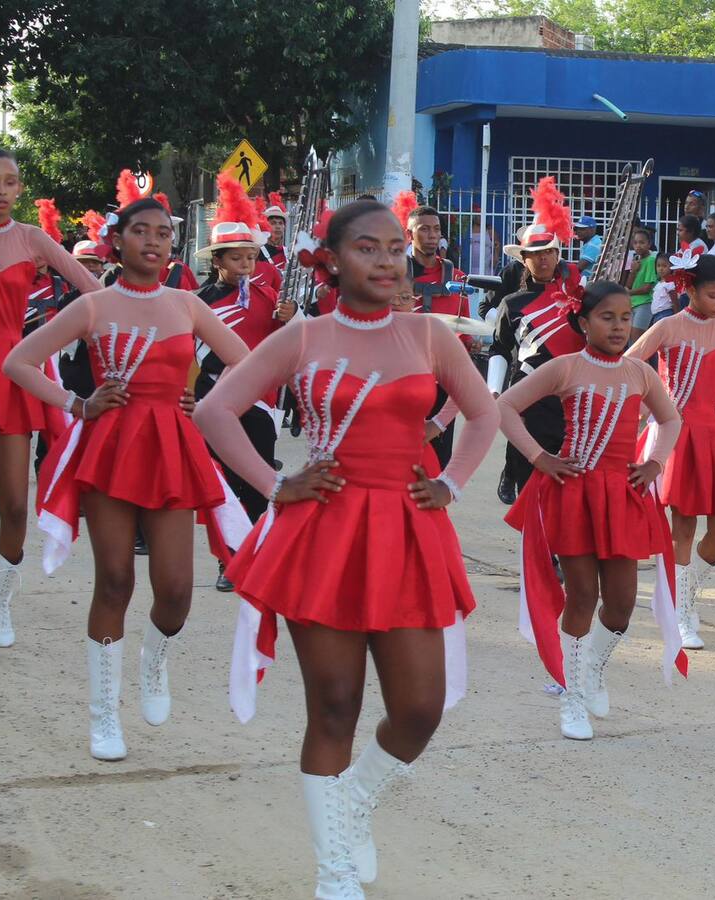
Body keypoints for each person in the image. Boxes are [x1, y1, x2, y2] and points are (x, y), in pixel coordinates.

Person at [194, 199, 499, 899]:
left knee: (419, 708)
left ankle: (351, 803)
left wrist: (451, 482)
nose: (388, 261)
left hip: (408, 529)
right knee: (334, 706)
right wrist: (275, 482)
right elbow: (215, 409)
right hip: (324, 531)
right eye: (368, 248)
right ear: (331, 259)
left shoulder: (428, 333)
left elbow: (484, 413)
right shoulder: (303, 335)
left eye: (396, 248)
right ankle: (333, 867)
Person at [2, 196, 251, 761]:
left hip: (172, 447)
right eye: (142, 231)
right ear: (118, 241)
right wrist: (77, 403)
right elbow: (18, 360)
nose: (154, 242)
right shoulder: (95, 304)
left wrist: (205, 400)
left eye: (164, 233)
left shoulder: (187, 305)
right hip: (112, 447)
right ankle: (103, 714)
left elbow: (248, 362)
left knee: (177, 592)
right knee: (115, 581)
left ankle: (153, 660)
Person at [499, 280, 685, 740]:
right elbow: (505, 406)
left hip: (620, 495)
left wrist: (656, 462)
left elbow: (670, 418)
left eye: (625, 317)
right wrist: (539, 457)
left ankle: (592, 670)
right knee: (581, 596)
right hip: (574, 492)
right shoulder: (565, 367)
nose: (619, 326)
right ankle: (572, 695)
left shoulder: (641, 374)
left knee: (621, 605)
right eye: (607, 317)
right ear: (583, 322)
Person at [0, 149, 102, 662]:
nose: (2, 190)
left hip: (12, 370)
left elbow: (93, 291)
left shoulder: (33, 239)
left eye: (11, 182)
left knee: (13, 504)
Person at [627, 253, 715, 650]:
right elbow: (631, 364)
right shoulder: (667, 326)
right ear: (688, 289)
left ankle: (685, 596)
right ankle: (679, 611)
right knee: (682, 526)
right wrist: (651, 408)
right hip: (679, 436)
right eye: (712, 294)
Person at [195, 174, 297, 591]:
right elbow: (190, 355)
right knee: (223, 482)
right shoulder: (200, 301)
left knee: (257, 478)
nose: (245, 266)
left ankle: (257, 551)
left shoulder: (271, 298)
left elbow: (294, 343)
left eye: (251, 258)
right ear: (218, 260)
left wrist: (292, 318)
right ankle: (228, 559)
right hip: (213, 398)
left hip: (260, 400)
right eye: (236, 259)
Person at [489, 179, 585, 503]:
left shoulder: (578, 295)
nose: (543, 259)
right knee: (532, 478)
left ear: (558, 255)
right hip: (529, 392)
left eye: (548, 252)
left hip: (572, 394)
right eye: (535, 254)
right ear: (524, 259)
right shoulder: (512, 303)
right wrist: (493, 388)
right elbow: (500, 347)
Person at [406, 204, 471, 467]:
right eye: (424, 229)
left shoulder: (456, 278)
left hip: (444, 379)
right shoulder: (394, 276)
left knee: (439, 461)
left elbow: (465, 331)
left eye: (436, 230)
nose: (432, 235)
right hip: (404, 377)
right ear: (410, 235)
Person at [626, 228, 657, 338]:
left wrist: (628, 292)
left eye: (642, 242)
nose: (638, 246)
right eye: (635, 243)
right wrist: (633, 271)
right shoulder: (637, 259)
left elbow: (646, 288)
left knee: (636, 336)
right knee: (630, 337)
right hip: (633, 303)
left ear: (649, 244)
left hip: (645, 303)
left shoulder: (651, 260)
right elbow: (629, 285)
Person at [262, 192, 289, 275]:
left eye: (280, 223)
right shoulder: (257, 253)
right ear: (266, 226)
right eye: (273, 223)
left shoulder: (287, 252)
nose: (278, 227)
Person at [648, 252, 677, 325]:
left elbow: (674, 302)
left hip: (665, 314)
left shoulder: (670, 283)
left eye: (664, 266)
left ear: (671, 267)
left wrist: (677, 317)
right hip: (656, 315)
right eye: (658, 266)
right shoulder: (658, 283)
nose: (661, 269)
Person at [574, 215, 603, 280]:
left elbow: (579, 268)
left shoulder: (594, 245)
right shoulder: (593, 242)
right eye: (577, 229)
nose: (578, 232)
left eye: (582, 229)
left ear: (592, 230)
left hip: (590, 285)